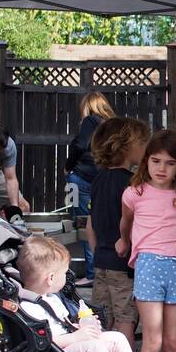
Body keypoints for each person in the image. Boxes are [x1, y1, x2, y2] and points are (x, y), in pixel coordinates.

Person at [119, 130, 176, 352]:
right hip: (148, 266)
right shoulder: (135, 193)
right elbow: (126, 222)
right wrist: (125, 240)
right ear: (146, 162)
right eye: (156, 161)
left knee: (172, 342)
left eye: (169, 163)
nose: (161, 168)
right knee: (152, 340)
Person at [16, 236, 144, 352]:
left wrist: (82, 326)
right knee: (94, 348)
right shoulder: (30, 308)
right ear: (50, 278)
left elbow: (65, 324)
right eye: (63, 273)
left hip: (68, 347)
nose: (66, 276)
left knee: (117, 338)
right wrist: (77, 336)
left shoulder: (52, 299)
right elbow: (41, 342)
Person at [85, 116, 152, 346]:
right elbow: (137, 223)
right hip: (124, 265)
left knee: (100, 320)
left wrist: (97, 252)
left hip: (102, 262)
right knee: (126, 320)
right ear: (128, 145)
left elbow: (90, 223)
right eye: (143, 143)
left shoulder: (97, 180)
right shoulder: (133, 184)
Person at [64, 90, 114, 283]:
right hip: (102, 179)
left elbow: (79, 144)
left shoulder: (91, 121)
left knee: (85, 224)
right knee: (102, 223)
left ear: (88, 106)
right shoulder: (111, 126)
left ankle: (92, 273)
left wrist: (68, 167)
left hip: (82, 178)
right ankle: (104, 270)